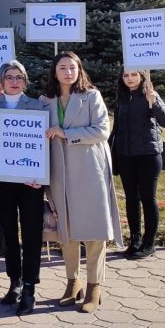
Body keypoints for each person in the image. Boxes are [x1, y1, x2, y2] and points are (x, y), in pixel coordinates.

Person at [43, 52, 123, 313]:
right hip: (59, 173)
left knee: (93, 230)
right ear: (54, 71)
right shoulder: (46, 101)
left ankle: (94, 287)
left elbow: (102, 130)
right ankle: (72, 282)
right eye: (62, 68)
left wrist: (66, 134)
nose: (68, 72)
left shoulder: (91, 96)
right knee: (66, 231)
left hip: (89, 170)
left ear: (79, 70)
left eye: (72, 67)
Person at [0, 61, 48, 315]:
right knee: (9, 234)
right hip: (4, 182)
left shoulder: (37, 105)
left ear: (25, 80)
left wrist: (42, 175)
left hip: (31, 182)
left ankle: (30, 286)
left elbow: (44, 145)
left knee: (31, 234)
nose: (14, 81)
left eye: (19, 77)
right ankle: (15, 282)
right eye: (9, 77)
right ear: (1, 81)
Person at [111, 69, 165, 259]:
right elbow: (116, 129)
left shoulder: (150, 95)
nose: (129, 79)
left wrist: (154, 103)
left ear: (141, 76)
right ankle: (135, 241)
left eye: (133, 75)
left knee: (148, 198)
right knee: (131, 199)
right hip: (126, 156)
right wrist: (111, 151)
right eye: (126, 75)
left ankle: (149, 243)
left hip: (148, 155)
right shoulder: (122, 98)